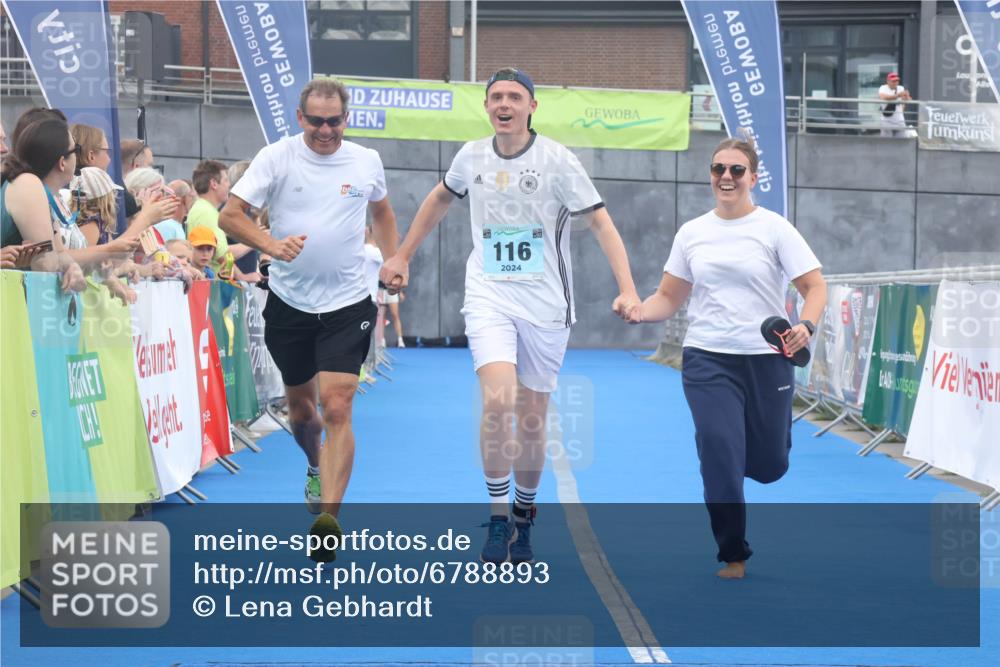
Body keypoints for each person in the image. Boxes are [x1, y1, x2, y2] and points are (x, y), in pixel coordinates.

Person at [380, 67, 640, 564]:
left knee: (532, 417)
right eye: (496, 96)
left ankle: (525, 513)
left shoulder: (557, 160)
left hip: (546, 305)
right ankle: (498, 518)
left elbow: (601, 223)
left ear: (531, 107)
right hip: (488, 295)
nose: (504, 104)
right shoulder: (471, 155)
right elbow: (440, 197)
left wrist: (627, 289)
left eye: (514, 97)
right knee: (499, 402)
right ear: (486, 106)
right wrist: (402, 255)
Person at [629, 136, 828, 579]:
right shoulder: (692, 233)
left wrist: (806, 325)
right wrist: (641, 311)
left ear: (752, 178)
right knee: (719, 447)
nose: (726, 176)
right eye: (718, 168)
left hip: (767, 359)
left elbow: (814, 286)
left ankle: (759, 455)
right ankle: (733, 551)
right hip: (707, 358)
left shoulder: (774, 228)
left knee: (769, 465)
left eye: (736, 170)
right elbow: (669, 296)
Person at [219, 77, 400, 561]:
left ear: (346, 118)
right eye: (315, 121)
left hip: (349, 303)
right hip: (290, 304)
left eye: (334, 121)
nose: (325, 130)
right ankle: (315, 465)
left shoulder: (365, 161)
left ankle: (328, 521)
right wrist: (271, 245)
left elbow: (382, 211)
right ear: (300, 118)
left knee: (338, 406)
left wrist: (394, 258)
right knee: (303, 416)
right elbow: (230, 216)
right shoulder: (276, 157)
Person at [1, 116, 86, 291]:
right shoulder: (27, 184)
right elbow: (45, 265)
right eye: (76, 150)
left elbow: (58, 253)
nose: (5, 148)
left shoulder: (32, 187)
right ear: (62, 162)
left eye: (4, 140)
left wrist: (72, 266)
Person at [878, 72, 911, 138]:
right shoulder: (883, 88)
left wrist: (907, 96)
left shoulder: (901, 88)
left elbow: (907, 100)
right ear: (888, 81)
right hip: (886, 121)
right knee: (886, 142)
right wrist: (898, 95)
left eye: (897, 81)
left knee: (901, 141)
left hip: (900, 120)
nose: (895, 83)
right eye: (893, 81)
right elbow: (883, 97)